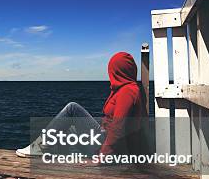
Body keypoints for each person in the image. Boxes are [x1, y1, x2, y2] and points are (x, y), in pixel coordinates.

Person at [16, 52, 147, 158]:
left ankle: (39, 148)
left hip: (106, 147)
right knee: (67, 128)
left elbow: (118, 129)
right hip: (105, 139)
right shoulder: (125, 89)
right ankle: (62, 160)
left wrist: (103, 156)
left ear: (117, 71)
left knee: (72, 108)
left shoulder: (127, 91)